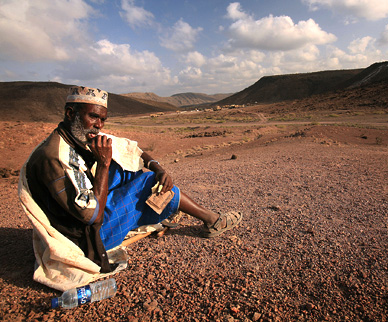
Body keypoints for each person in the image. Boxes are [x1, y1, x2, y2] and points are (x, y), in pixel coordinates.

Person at [18, 86, 242, 290]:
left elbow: (128, 148)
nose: (98, 125)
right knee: (148, 183)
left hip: (81, 216)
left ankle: (152, 209)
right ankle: (213, 220)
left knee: (127, 164)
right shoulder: (56, 156)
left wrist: (158, 167)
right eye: (93, 117)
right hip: (84, 239)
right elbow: (92, 217)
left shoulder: (73, 136)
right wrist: (104, 164)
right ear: (71, 114)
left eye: (102, 119)